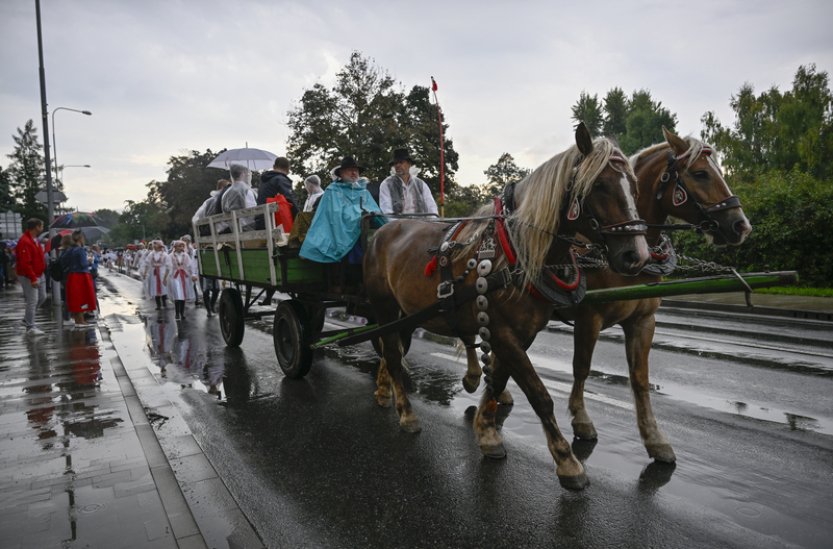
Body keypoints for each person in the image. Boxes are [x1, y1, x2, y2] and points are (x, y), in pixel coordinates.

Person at [299, 156, 383, 263]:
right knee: (355, 237)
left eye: (356, 170)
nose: (354, 173)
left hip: (365, 228)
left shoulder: (363, 191)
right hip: (339, 229)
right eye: (350, 170)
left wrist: (375, 215)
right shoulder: (333, 190)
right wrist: (358, 215)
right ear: (342, 173)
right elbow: (334, 213)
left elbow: (375, 210)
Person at [379, 148, 439, 216]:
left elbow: (431, 207)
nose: (398, 165)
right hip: (398, 224)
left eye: (401, 162)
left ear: (409, 164)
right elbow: (386, 211)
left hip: (421, 223)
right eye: (395, 163)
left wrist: (433, 223)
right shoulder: (386, 184)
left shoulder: (421, 184)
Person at [16, 218, 47, 336]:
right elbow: (25, 263)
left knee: (42, 297)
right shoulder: (25, 241)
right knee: (32, 300)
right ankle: (30, 326)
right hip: (29, 276)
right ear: (36, 227)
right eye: (41, 226)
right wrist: (33, 278)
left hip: (39, 273)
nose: (42, 228)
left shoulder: (34, 240)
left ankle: (27, 319)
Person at [60, 230, 98, 328]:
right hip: (81, 276)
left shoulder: (69, 250)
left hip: (72, 275)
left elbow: (63, 262)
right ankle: (80, 321)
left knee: (76, 298)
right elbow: (83, 264)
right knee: (82, 297)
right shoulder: (80, 250)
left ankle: (78, 320)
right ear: (81, 238)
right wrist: (89, 261)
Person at [256, 157, 299, 230]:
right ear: (288, 169)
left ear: (274, 166)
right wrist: (299, 218)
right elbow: (290, 200)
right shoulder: (281, 180)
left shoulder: (264, 181)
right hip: (273, 223)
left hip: (260, 221)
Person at [167, 240, 198, 321]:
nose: (181, 248)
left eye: (182, 246)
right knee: (177, 295)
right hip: (175, 277)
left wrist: (193, 274)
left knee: (183, 296)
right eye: (179, 246)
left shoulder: (186, 255)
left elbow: (190, 266)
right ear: (175, 247)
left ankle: (182, 313)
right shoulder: (170, 256)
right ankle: (177, 313)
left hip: (184, 277)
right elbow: (168, 266)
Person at [221, 165, 257, 232]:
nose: (248, 176)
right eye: (248, 174)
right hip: (246, 228)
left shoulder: (226, 193)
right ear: (242, 174)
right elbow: (253, 212)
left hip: (232, 228)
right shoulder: (246, 190)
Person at [141, 240, 171, 310]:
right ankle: (158, 305)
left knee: (163, 288)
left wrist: (166, 275)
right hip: (154, 273)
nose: (154, 246)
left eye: (156, 245)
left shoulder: (164, 254)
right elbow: (147, 263)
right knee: (155, 288)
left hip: (162, 273)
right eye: (153, 245)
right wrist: (145, 272)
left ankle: (164, 302)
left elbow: (168, 266)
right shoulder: (151, 254)